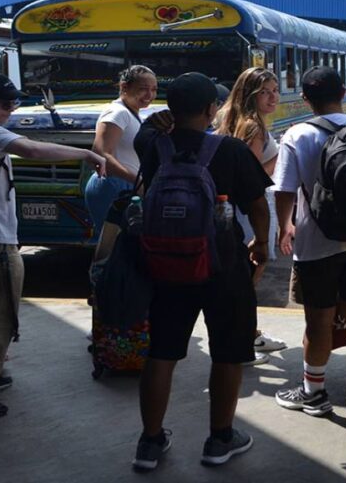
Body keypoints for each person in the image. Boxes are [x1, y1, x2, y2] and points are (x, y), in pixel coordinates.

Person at [131, 72, 271, 471]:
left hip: (165, 262)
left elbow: (145, 135)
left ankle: (150, 441)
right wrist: (260, 245)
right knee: (228, 352)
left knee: (162, 352)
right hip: (223, 266)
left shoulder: (153, 144)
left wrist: (157, 121)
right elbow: (258, 206)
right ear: (212, 109)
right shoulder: (229, 150)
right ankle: (220, 439)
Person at [0, 72, 106, 418]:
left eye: (15, 102)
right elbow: (32, 149)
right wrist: (85, 156)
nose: (11, 109)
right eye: (4, 103)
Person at [272, 66, 346, 418]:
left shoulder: (298, 134)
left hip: (317, 242)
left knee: (318, 319)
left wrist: (284, 226)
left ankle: (315, 394)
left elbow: (285, 189)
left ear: (305, 98)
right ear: (343, 93)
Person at [215, 67, 287, 365]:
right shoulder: (253, 127)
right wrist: (282, 154)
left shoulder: (228, 118)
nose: (273, 97)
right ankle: (241, 341)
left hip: (233, 207)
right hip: (253, 208)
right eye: (265, 92)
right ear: (250, 95)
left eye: (274, 89)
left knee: (242, 274)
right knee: (251, 273)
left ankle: (251, 332)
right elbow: (253, 176)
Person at [85, 65, 157, 260]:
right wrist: (137, 182)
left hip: (125, 186)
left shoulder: (132, 113)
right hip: (114, 185)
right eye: (143, 88)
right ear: (124, 87)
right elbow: (101, 153)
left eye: (154, 89)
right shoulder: (118, 113)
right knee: (114, 250)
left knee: (124, 251)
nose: (149, 94)